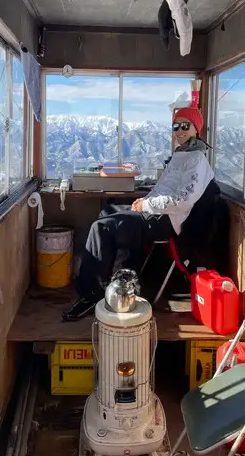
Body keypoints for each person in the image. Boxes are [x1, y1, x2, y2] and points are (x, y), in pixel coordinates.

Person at [62, 106, 216, 322]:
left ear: (196, 128)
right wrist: (144, 201)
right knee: (106, 211)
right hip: (156, 211)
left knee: (102, 227)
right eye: (176, 126)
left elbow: (183, 201)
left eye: (185, 125)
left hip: (166, 220)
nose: (180, 130)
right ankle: (115, 281)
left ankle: (90, 294)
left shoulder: (197, 159)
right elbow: (167, 189)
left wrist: (146, 204)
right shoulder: (182, 154)